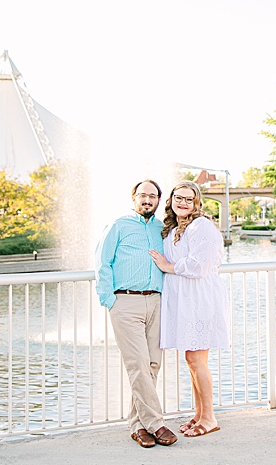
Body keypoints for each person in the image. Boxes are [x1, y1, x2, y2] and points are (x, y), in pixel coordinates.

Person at [95, 179, 178, 449]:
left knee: (152, 364)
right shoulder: (118, 225)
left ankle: (137, 425)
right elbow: (102, 263)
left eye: (152, 196)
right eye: (142, 195)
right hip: (125, 303)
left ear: (158, 200)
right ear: (134, 197)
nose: (147, 200)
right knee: (138, 364)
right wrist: (110, 300)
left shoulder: (162, 229)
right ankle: (156, 424)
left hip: (156, 302)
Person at [149, 180, 229, 438]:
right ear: (171, 201)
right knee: (191, 359)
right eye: (178, 198)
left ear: (196, 203)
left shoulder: (201, 226)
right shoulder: (172, 228)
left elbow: (199, 266)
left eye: (188, 199)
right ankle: (199, 413)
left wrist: (167, 266)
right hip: (184, 299)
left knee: (197, 359)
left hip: (199, 299)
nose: (183, 203)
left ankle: (210, 418)